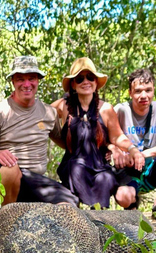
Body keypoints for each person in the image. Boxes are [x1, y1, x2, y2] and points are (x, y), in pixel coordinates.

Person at [0, 56, 79, 206]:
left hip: (35, 182)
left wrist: (107, 147)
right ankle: (6, 220)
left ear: (38, 80)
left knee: (69, 204)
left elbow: (68, 145)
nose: (26, 84)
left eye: (31, 78)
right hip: (6, 180)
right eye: (20, 79)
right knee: (10, 169)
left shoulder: (48, 112)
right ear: (13, 81)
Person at [52, 57, 144, 209]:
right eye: (80, 79)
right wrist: (59, 139)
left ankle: (100, 216)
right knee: (76, 169)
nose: (86, 82)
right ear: (73, 84)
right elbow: (42, 117)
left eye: (90, 77)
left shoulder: (106, 109)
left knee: (105, 179)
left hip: (100, 165)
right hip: (74, 164)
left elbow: (117, 136)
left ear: (96, 83)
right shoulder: (64, 106)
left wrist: (132, 149)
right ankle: (76, 215)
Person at [111, 68, 156, 220]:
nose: (144, 96)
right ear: (130, 93)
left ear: (153, 90)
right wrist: (116, 150)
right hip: (128, 170)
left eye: (148, 90)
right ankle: (131, 206)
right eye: (138, 91)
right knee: (123, 197)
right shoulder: (121, 110)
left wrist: (142, 154)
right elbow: (104, 136)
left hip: (150, 168)